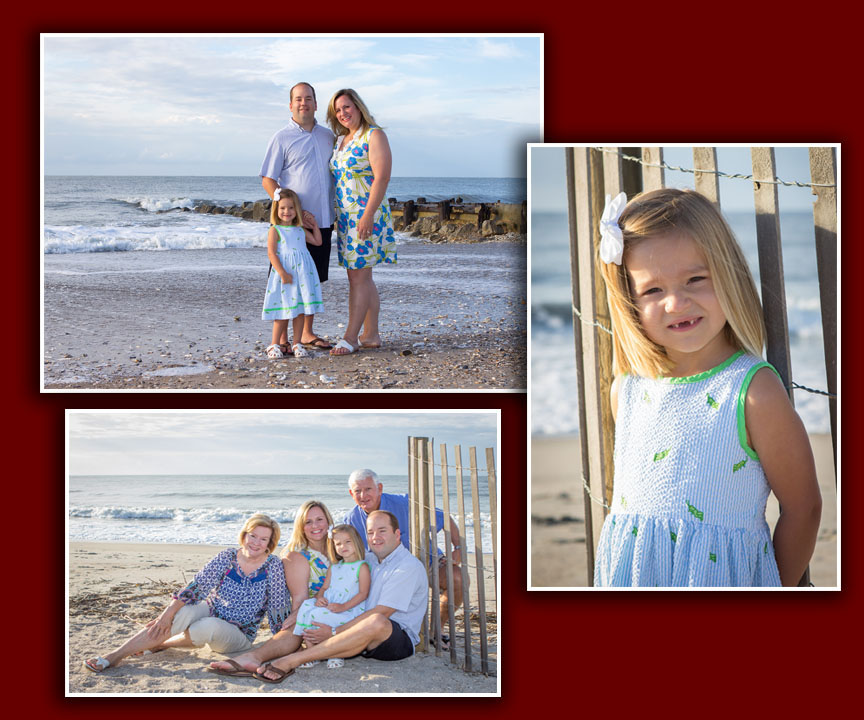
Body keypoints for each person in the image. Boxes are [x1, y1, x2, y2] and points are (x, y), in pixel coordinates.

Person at [593, 188, 822, 587]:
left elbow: (803, 507)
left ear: (727, 275)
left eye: (695, 279)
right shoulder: (627, 390)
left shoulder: (752, 392)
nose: (676, 303)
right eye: (653, 290)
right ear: (629, 301)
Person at [83, 514, 288, 673]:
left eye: (263, 539)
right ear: (244, 535)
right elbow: (197, 586)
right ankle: (116, 655)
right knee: (182, 613)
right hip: (211, 608)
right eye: (253, 535)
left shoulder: (273, 566)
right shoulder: (227, 556)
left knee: (205, 626)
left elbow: (278, 608)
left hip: (239, 634)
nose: (256, 542)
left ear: (270, 543)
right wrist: (166, 614)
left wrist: (282, 644)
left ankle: (159, 644)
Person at [251, 510, 428, 683]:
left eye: (382, 531)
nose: (375, 537)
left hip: (394, 639)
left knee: (377, 621)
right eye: (371, 532)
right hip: (355, 626)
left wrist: (335, 632)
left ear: (397, 534)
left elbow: (383, 612)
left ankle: (294, 659)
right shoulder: (370, 559)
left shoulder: (407, 567)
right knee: (311, 614)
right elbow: (340, 554)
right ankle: (252, 657)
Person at [208, 500, 334, 677]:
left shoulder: (340, 546)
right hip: (311, 611)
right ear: (301, 526)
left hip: (343, 609)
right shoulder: (296, 555)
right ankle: (252, 658)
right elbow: (299, 599)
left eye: (319, 519)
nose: (315, 526)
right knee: (296, 627)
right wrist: (295, 621)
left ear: (328, 520)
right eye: (308, 522)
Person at [343, 468, 463, 645]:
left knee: (458, 579)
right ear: (351, 493)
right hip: (386, 572)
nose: (363, 495)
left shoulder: (405, 503)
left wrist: (458, 547)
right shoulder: (351, 520)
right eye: (358, 491)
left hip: (426, 562)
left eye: (368, 489)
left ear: (380, 488)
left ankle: (436, 628)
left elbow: (444, 518)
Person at [260, 81, 334, 350]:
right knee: (285, 279)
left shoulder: (328, 137)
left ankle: (305, 334)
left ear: (316, 103)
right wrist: (287, 211)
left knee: (311, 280)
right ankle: (279, 340)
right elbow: (268, 179)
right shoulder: (281, 137)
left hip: (323, 222)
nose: (304, 103)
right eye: (298, 99)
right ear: (291, 105)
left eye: (309, 98)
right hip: (292, 228)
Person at [326, 89, 396, 356]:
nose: (343, 113)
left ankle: (351, 337)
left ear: (358, 106)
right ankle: (372, 334)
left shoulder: (373, 134)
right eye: (338, 110)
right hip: (346, 217)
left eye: (347, 107)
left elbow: (382, 178)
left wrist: (367, 215)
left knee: (358, 277)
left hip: (366, 215)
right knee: (362, 276)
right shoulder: (342, 140)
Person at [293, 524, 371, 669]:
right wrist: (320, 598)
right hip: (330, 605)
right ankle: (312, 653)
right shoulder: (334, 567)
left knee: (320, 616)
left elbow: (363, 593)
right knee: (307, 609)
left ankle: (336, 653)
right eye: (338, 543)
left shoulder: (362, 567)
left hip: (348, 609)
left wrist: (344, 606)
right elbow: (324, 588)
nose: (343, 546)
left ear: (357, 542)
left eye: (348, 541)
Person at [262, 188, 323, 359]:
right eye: (282, 208)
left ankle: (297, 343)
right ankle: (274, 344)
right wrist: (282, 272)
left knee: (300, 310)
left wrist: (315, 226)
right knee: (283, 309)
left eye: (290, 208)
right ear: (276, 209)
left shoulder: (300, 229)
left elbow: (318, 242)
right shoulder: (275, 230)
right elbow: (271, 253)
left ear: (297, 210)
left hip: (302, 275)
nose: (286, 212)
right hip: (286, 274)